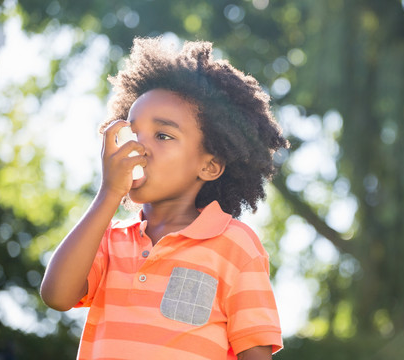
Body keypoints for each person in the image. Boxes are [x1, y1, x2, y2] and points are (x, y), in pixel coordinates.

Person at [40, 37, 288, 360]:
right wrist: (108, 194)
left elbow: (255, 353)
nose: (139, 147)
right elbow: (56, 295)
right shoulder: (108, 240)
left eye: (163, 135)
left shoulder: (236, 247)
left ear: (209, 165)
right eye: (134, 132)